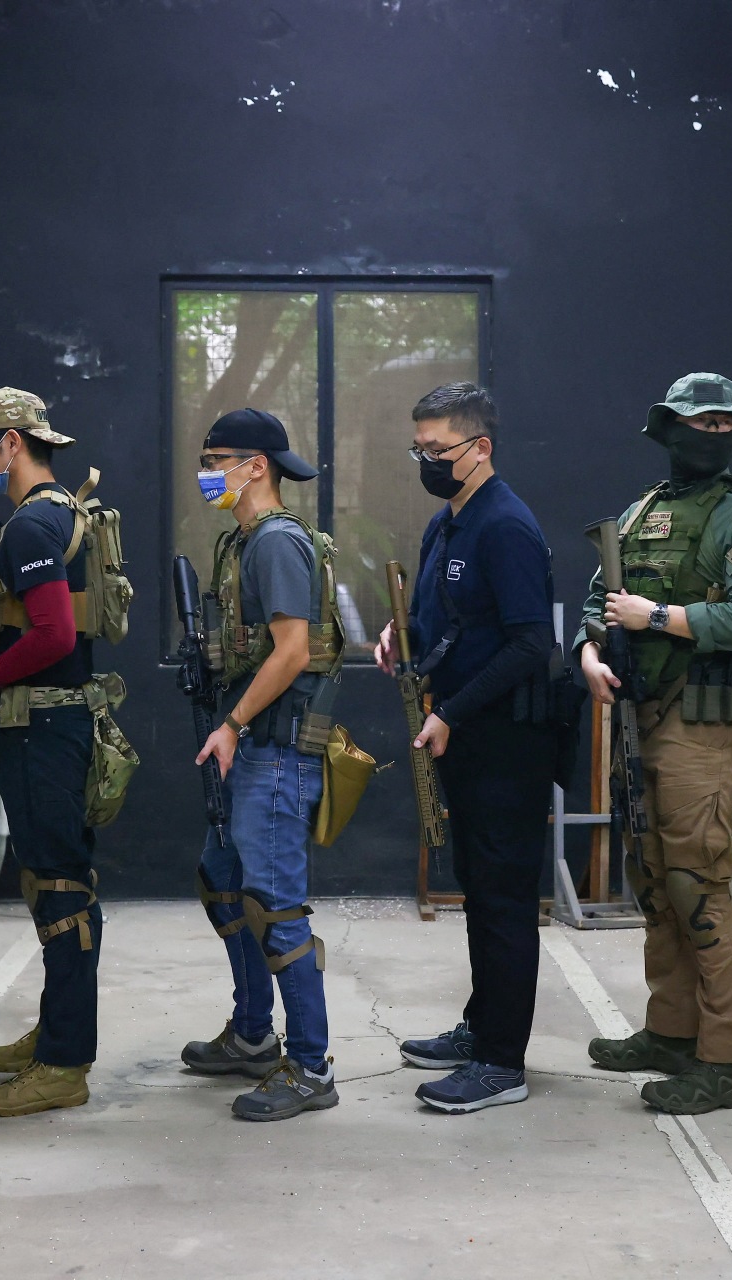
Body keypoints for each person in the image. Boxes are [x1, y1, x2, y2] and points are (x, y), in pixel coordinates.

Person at [578, 372, 732, 1115]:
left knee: (698, 885)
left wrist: (658, 616)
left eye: (725, 423)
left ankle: (727, 1060)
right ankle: (671, 1031)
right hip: (640, 719)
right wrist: (589, 652)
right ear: (668, 429)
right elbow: (596, 602)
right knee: (656, 880)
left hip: (700, 724)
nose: (715, 434)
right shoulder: (641, 514)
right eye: (700, 423)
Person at [379, 383, 558, 1114]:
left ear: (480, 449)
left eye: (437, 450)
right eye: (417, 449)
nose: (425, 460)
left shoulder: (505, 526)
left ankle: (501, 1062)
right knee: (479, 891)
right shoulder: (446, 524)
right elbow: (446, 619)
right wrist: (404, 636)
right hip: (460, 732)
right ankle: (482, 1026)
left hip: (505, 738)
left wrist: (451, 708)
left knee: (505, 898)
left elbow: (529, 644)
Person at [182, 408, 343, 1121]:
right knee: (226, 883)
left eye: (219, 458)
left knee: (277, 909)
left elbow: (292, 652)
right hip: (247, 750)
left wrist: (233, 723)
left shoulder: (276, 544)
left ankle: (309, 1066)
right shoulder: (239, 541)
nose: (207, 470)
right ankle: (253, 1033)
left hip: (273, 752)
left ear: (257, 467)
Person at [0, 387, 106, 1118]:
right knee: (55, 883)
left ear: (13, 442)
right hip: (55, 722)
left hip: (42, 726)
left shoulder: (31, 525)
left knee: (61, 891)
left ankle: (64, 1062)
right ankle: (58, 1028)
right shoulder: (60, 513)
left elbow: (52, 636)